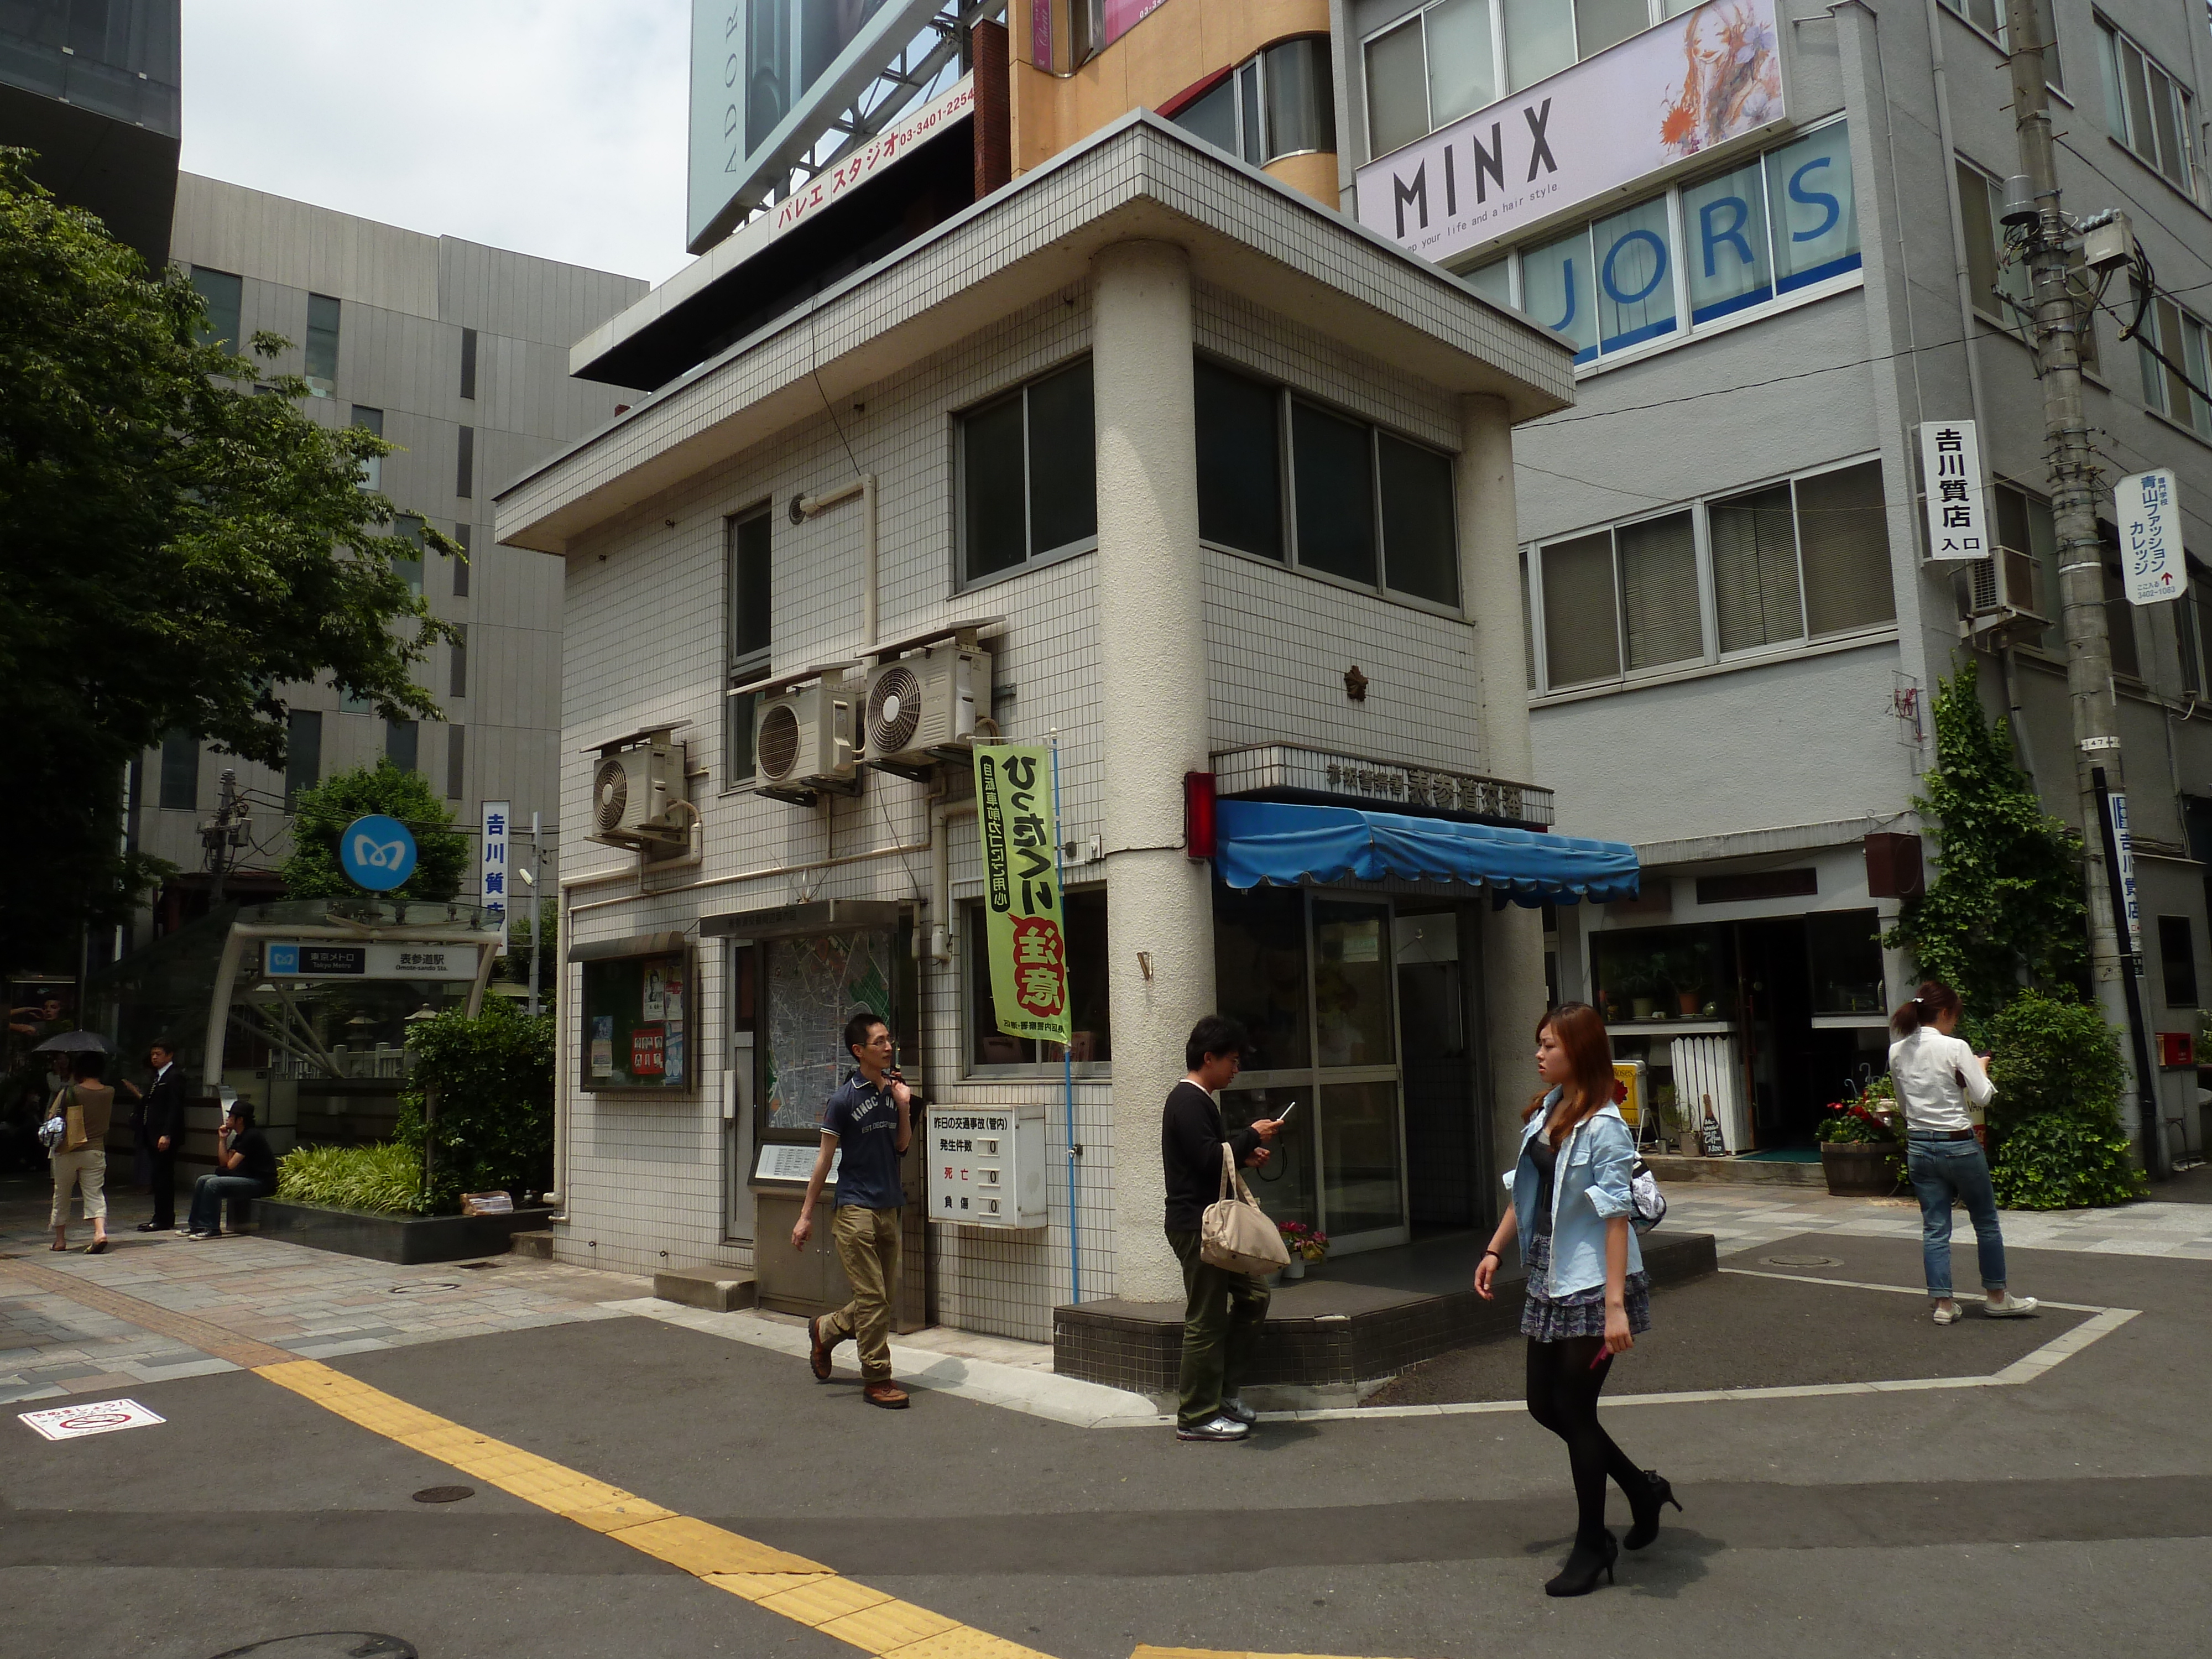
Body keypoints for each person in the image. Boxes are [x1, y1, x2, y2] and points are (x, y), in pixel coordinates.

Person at [1475, 1003, 1674, 1597]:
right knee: (1544, 1404)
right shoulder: (1548, 1109)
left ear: (1579, 1052)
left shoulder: (1605, 1125)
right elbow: (1526, 1194)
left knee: (1575, 1409)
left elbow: (1616, 1219)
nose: (1538, 1055)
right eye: (1538, 1044)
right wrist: (1493, 1251)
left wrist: (1615, 1306)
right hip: (1548, 1272)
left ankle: (1593, 1544)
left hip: (1592, 1282)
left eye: (1549, 1046)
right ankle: (1642, 1490)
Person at [1161, 1014, 1281, 1443]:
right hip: (1199, 1228)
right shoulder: (1188, 1101)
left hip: (1208, 1227)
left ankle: (1222, 1395)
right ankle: (1196, 1414)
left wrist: (1243, 1155)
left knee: (1254, 1297)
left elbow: (1210, 1156)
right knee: (1206, 1320)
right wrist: (1251, 1135)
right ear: (1208, 1058)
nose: (1237, 1068)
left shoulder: (1198, 1102)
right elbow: (1208, 1159)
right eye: (1232, 1060)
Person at [1889, 980, 2038, 1325]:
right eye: (1954, 1017)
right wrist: (1981, 1068)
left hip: (1920, 1145)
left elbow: (1903, 1103)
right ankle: (1997, 1297)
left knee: (1935, 1228)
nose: (1954, 1023)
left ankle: (1943, 1305)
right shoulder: (1955, 1047)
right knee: (1985, 1222)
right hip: (1958, 1144)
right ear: (1944, 1013)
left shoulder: (1897, 1050)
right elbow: (1983, 1096)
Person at [794, 1011, 914, 1409]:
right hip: (855, 1209)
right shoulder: (844, 1099)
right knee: (873, 1298)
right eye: (879, 1042)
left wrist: (904, 1108)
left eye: (889, 1040)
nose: (888, 1047)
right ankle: (877, 1378)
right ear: (859, 1051)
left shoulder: (893, 1092)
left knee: (880, 1298)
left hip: (889, 1205)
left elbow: (901, 1147)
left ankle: (826, 1330)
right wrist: (806, 1214)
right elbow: (825, 1160)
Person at [48, 1051, 116, 1254]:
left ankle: (60, 1240)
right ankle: (99, 1232)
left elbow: (52, 1117)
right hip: (95, 1150)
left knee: (62, 1193)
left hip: (67, 1150)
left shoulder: (70, 1092)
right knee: (95, 1192)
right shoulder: (109, 1092)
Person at [185, 1101, 278, 1239]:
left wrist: (224, 1169)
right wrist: (222, 1139)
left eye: (231, 1117)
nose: (227, 1119)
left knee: (213, 1184)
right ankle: (196, 1225)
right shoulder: (240, 1137)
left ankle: (212, 1228)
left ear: (240, 1120)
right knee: (202, 1180)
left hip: (260, 1183)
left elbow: (230, 1166)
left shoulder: (252, 1136)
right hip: (245, 1178)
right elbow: (224, 1162)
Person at [135, 1042, 186, 1233]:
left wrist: (167, 1133)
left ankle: (163, 1218)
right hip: (151, 1134)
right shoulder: (156, 1077)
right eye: (152, 1054)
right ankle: (161, 1216)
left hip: (164, 1136)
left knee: (163, 1176)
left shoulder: (175, 1076)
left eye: (158, 1054)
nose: (154, 1057)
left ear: (169, 1055)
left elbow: (175, 1108)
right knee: (157, 1176)